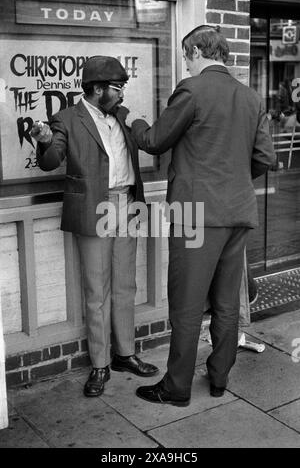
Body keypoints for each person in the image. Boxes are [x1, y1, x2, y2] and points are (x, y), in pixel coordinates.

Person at [130, 25, 275, 406]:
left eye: (185, 55)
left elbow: (154, 140)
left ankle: (176, 387)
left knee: (187, 303)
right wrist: (232, 183)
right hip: (238, 211)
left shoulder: (191, 90)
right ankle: (218, 378)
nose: (185, 63)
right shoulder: (250, 97)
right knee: (227, 302)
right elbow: (265, 159)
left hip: (194, 212)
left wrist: (135, 121)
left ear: (196, 52)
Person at [30, 56, 158, 398]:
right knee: (96, 291)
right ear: (97, 89)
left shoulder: (122, 117)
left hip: (127, 206)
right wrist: (43, 139)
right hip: (94, 209)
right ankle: (100, 363)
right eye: (117, 89)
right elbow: (51, 160)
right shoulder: (68, 119)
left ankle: (125, 355)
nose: (122, 94)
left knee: (126, 285)